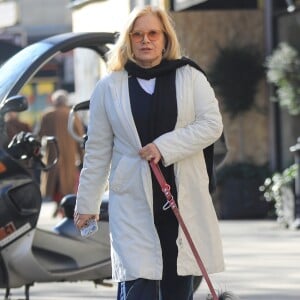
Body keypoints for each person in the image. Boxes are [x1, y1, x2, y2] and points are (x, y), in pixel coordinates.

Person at [74, 5, 224, 300]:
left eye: (153, 33)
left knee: (177, 283)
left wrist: (163, 147)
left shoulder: (190, 77)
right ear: (127, 40)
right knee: (138, 283)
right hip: (132, 200)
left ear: (165, 39)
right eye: (137, 34)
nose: (146, 40)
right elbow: (98, 150)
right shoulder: (109, 87)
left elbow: (211, 125)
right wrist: (86, 203)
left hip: (181, 200)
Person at [37, 89, 84, 217]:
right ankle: (63, 207)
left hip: (53, 156)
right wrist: (83, 156)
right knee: (67, 183)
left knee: (55, 184)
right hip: (69, 156)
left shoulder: (47, 115)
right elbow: (80, 137)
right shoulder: (72, 115)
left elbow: (40, 136)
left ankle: (59, 206)